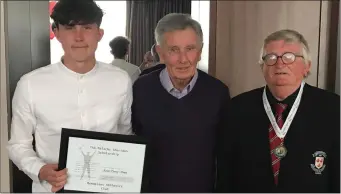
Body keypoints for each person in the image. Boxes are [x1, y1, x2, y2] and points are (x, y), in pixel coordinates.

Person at [7, 0, 133, 193]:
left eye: (87, 28)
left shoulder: (120, 80)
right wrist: (39, 169)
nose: (79, 37)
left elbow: (124, 134)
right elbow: (17, 144)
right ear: (56, 33)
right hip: (51, 190)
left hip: (107, 188)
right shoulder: (30, 84)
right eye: (70, 27)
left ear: (99, 34)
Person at [216, 29, 340, 192]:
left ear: (307, 66)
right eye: (271, 58)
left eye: (289, 57)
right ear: (262, 67)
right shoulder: (236, 109)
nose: (280, 64)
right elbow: (225, 176)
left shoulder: (334, 108)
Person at [132, 13, 231, 192]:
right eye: (174, 50)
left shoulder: (218, 93)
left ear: (200, 52)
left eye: (190, 49)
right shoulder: (140, 89)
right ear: (160, 53)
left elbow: (225, 155)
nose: (183, 59)